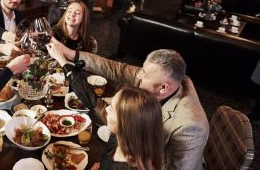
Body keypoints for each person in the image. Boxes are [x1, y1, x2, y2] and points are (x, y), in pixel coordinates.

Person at [47, 39, 209, 170]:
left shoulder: (191, 126)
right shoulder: (157, 77)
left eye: (144, 75)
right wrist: (69, 53)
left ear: (164, 88)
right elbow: (115, 68)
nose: (138, 76)